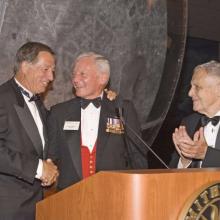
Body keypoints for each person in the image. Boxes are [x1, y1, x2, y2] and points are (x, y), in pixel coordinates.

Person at [47, 52, 148, 190]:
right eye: (74, 74)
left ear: (102, 78)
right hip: (69, 200)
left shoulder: (122, 109)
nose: (75, 79)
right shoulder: (59, 113)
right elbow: (50, 158)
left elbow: (137, 158)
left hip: (114, 196)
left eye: (82, 74)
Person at [0, 42, 59, 219]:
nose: (50, 77)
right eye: (46, 69)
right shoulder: (2, 99)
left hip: (35, 206)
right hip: (8, 209)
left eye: (52, 71)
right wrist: (39, 169)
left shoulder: (38, 103)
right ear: (25, 67)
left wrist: (107, 101)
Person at [170, 60, 220, 168]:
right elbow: (172, 173)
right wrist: (185, 159)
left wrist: (206, 154)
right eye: (191, 87)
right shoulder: (189, 122)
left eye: (197, 87)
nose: (190, 93)